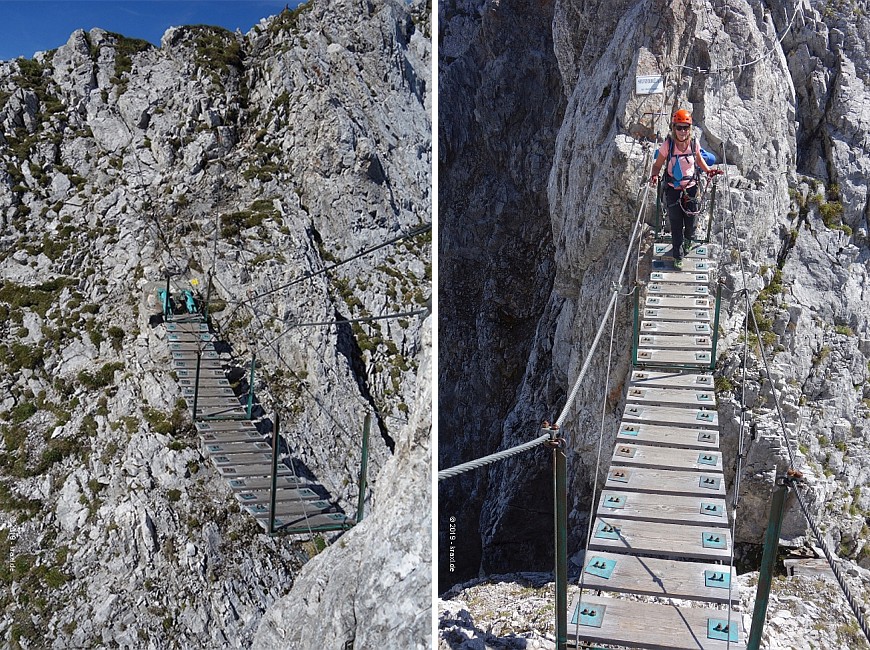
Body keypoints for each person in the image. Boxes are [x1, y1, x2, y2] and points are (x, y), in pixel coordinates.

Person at [648, 109, 723, 270]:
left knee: (691, 222)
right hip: (673, 188)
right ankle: (678, 256)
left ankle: (688, 239)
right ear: (673, 128)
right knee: (676, 223)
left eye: (686, 128)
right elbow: (657, 165)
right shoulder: (668, 145)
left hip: (691, 187)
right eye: (679, 127)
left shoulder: (694, 144)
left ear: (689, 129)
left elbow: (700, 161)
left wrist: (709, 171)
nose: (682, 131)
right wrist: (654, 175)